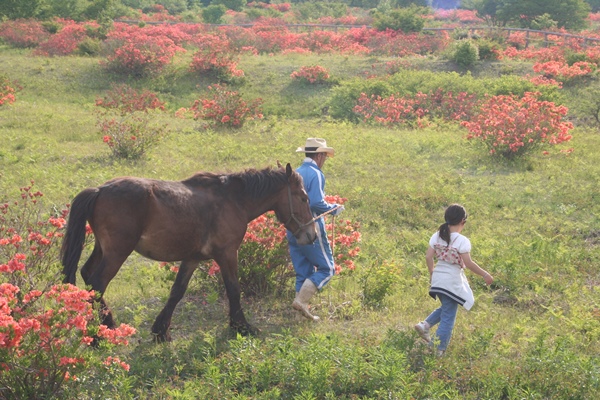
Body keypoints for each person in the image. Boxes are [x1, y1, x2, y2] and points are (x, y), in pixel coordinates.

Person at [414, 204, 493, 356]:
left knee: (447, 307)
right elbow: (468, 263)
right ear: (463, 221)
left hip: (438, 277)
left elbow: (428, 256)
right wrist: (485, 274)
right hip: (451, 280)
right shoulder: (462, 241)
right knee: (449, 317)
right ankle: (437, 348)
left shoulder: (436, 236)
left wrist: (432, 273)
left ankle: (425, 325)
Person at [287, 138, 344, 321]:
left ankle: (299, 316)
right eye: (325, 156)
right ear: (319, 156)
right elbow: (317, 203)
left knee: (302, 270)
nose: (325, 160)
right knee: (327, 269)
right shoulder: (316, 174)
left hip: (292, 228)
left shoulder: (296, 172)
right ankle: (301, 302)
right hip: (311, 228)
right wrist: (334, 208)